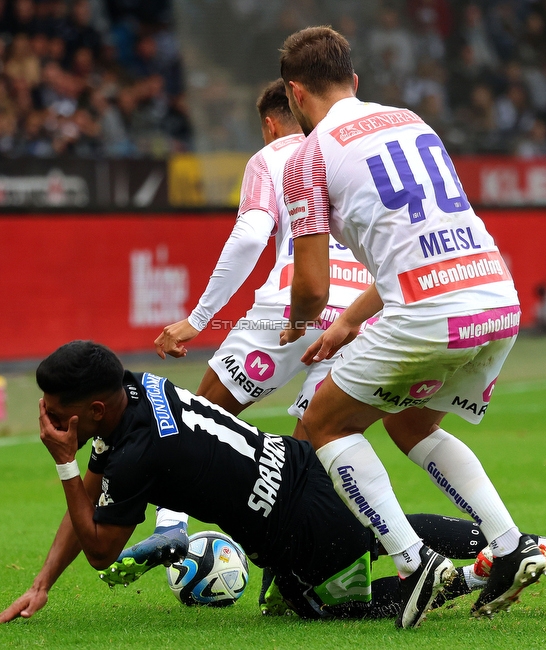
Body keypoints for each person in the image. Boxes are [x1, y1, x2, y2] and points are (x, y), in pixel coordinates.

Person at [0, 341, 546, 624]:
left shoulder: (140, 453)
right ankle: (529, 547)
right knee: (384, 534)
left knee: (325, 606)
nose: (49, 422)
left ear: (95, 410)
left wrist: (63, 465)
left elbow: (101, 549)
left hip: (291, 527)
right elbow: (96, 490)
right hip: (298, 465)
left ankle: (490, 567)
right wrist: (42, 584)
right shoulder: (134, 391)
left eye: (57, 411)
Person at [275, 26, 543, 627]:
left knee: (323, 421)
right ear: (355, 81)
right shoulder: (408, 119)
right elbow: (418, 246)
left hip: (430, 313)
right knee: (412, 423)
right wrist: (348, 321)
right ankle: (508, 546)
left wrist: (300, 324)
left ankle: (414, 561)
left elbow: (311, 285)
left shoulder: (307, 157)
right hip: (496, 297)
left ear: (294, 93)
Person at [143, 79, 376, 572]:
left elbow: (250, 236)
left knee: (197, 416)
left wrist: (197, 319)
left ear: (271, 123)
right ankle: (300, 572)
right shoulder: (343, 151)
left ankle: (169, 527)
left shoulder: (272, 157)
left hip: (294, 305)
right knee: (310, 456)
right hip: (360, 315)